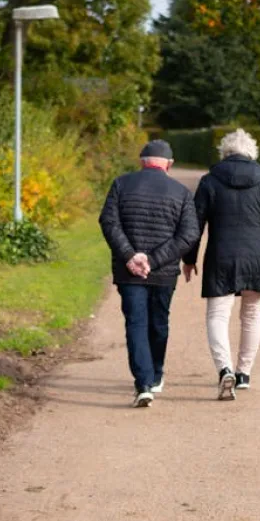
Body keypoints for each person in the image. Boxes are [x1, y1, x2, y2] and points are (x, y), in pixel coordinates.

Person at [184, 129, 260, 401]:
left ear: (224, 153)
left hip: (221, 255)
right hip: (257, 256)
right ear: (252, 153)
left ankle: (224, 369)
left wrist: (189, 258)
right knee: (252, 314)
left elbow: (195, 225)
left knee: (217, 315)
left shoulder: (210, 180)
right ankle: (244, 373)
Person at [99, 139, 200, 408]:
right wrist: (154, 260)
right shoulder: (180, 192)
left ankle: (143, 383)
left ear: (142, 161)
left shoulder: (121, 184)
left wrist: (131, 256)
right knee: (159, 323)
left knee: (136, 323)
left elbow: (108, 222)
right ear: (169, 164)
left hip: (128, 270)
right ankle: (154, 376)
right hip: (163, 271)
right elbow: (189, 234)